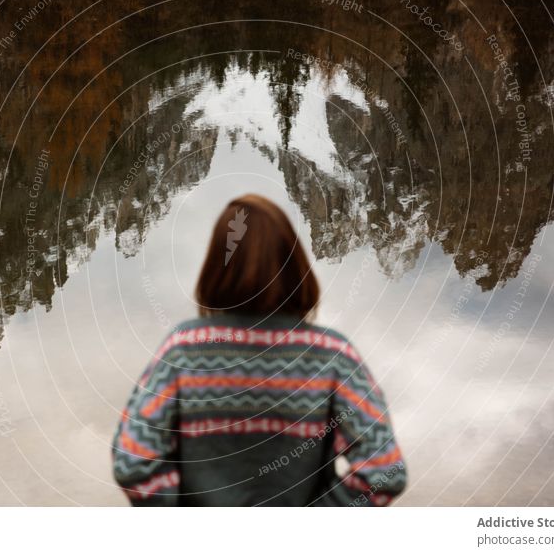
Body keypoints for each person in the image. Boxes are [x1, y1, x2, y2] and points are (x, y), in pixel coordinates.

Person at [112, 194, 406, 506]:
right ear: (293, 264)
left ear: (217, 265)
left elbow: (132, 465)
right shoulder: (332, 355)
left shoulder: (183, 351)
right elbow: (384, 471)